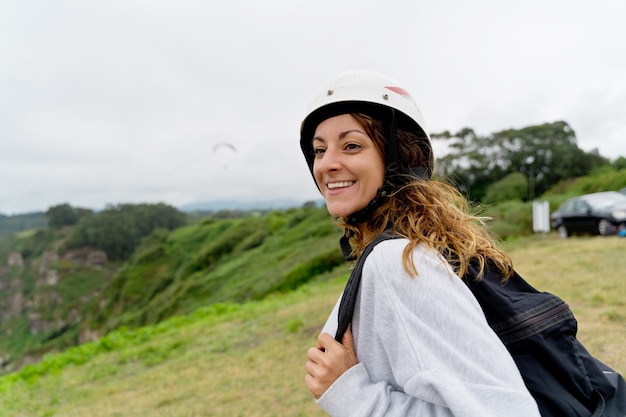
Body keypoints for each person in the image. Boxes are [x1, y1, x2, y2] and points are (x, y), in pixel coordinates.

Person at [301, 70, 541, 417]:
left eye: (351, 145)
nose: (327, 164)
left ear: (399, 159)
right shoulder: (417, 247)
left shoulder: (399, 261)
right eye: (319, 150)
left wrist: (351, 393)